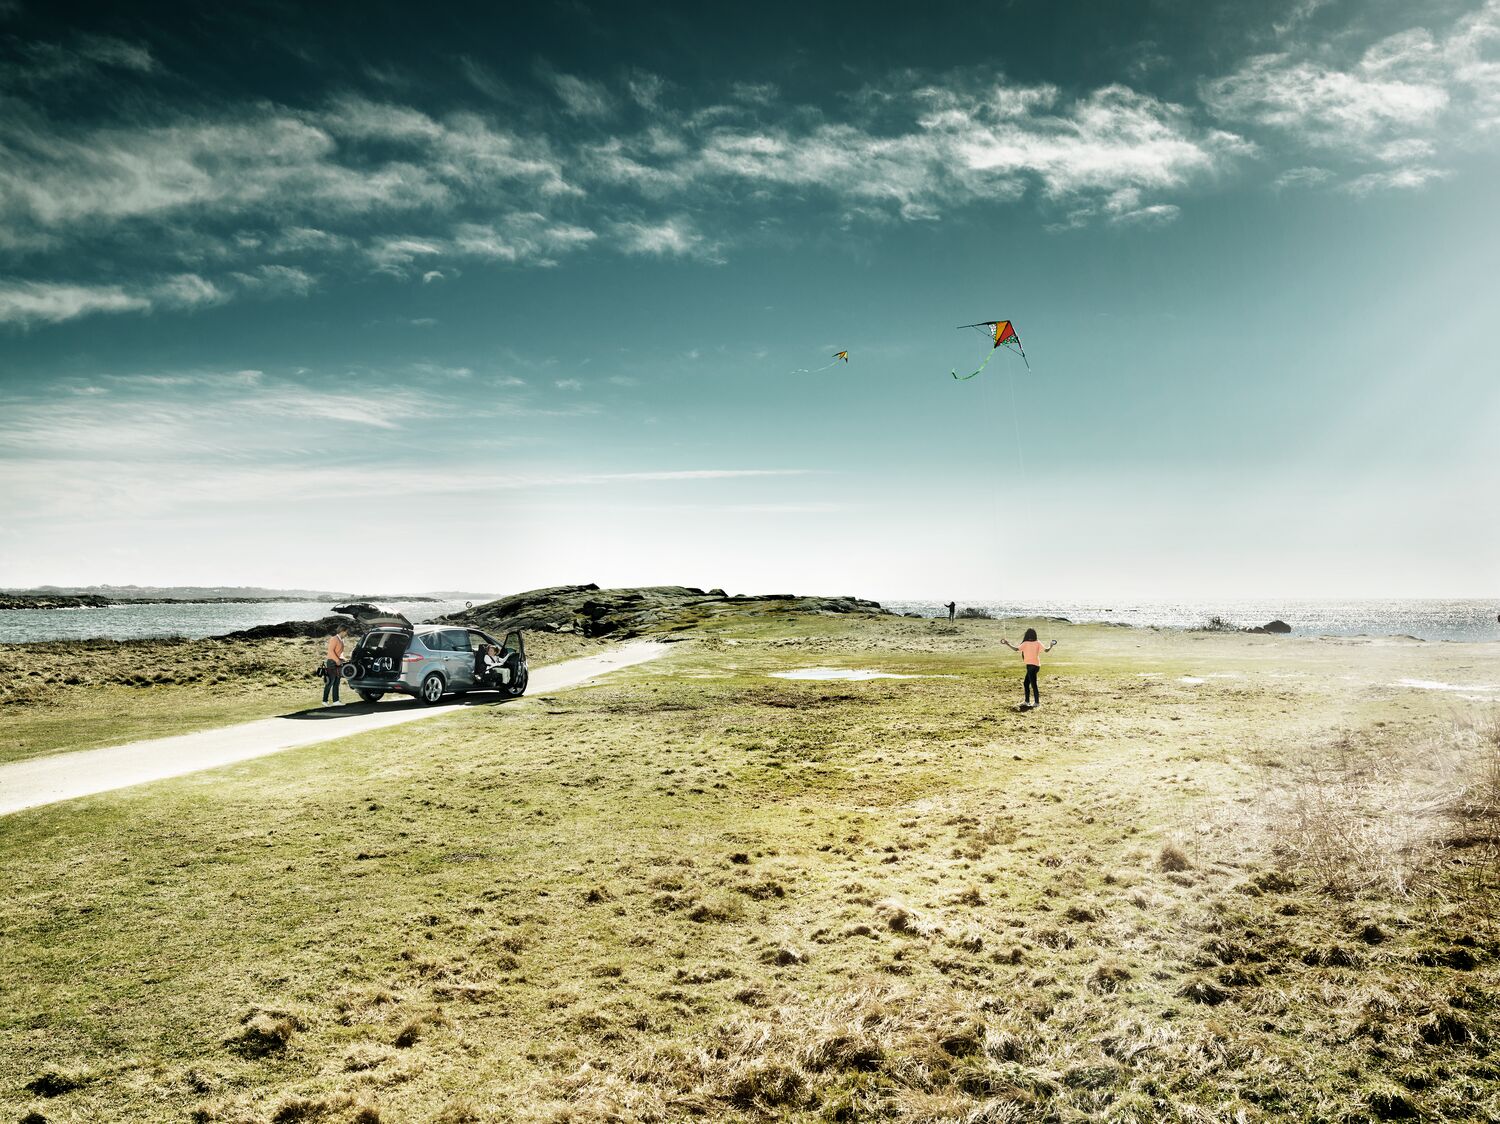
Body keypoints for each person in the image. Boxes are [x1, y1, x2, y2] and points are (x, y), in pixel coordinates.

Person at [1001, 627, 1056, 708]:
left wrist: (1007, 644)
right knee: (1026, 683)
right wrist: (1051, 645)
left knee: (1033, 684)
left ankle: (1036, 703)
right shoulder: (1037, 642)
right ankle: (1027, 701)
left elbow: (1016, 649)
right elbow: (1046, 650)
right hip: (1036, 666)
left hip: (1030, 666)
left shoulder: (1025, 643)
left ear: (1027, 635)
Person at [323, 627, 349, 705]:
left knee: (337, 682)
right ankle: (325, 701)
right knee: (330, 681)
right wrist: (337, 660)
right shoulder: (334, 639)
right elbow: (331, 651)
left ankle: (336, 701)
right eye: (346, 632)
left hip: (337, 662)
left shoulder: (341, 640)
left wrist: (343, 659)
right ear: (342, 631)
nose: (347, 634)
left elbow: (339, 653)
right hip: (331, 662)